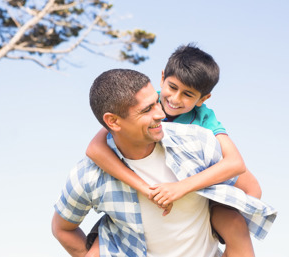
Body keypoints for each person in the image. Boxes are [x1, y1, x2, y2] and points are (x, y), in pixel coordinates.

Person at [51, 69, 276, 257]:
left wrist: (226, 228)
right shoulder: (89, 176)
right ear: (113, 121)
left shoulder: (196, 141)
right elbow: (62, 229)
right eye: (147, 109)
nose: (161, 113)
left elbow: (248, 186)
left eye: (156, 102)